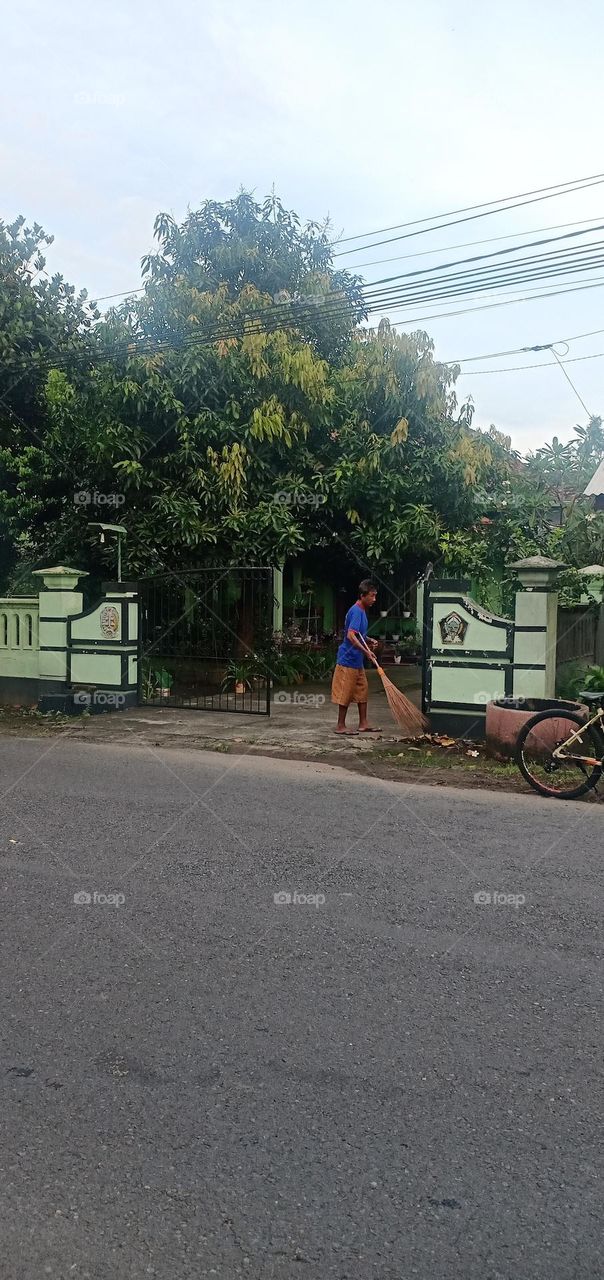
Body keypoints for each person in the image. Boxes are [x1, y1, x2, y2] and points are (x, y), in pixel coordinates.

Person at [331, 580, 381, 734]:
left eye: (375, 596)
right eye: (372, 596)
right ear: (362, 595)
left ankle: (363, 723)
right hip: (348, 660)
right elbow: (351, 635)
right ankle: (340, 726)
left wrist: (369, 640)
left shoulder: (362, 611)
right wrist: (366, 652)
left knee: (362, 690)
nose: (374, 599)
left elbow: (358, 635)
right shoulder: (357, 611)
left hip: (357, 661)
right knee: (345, 692)